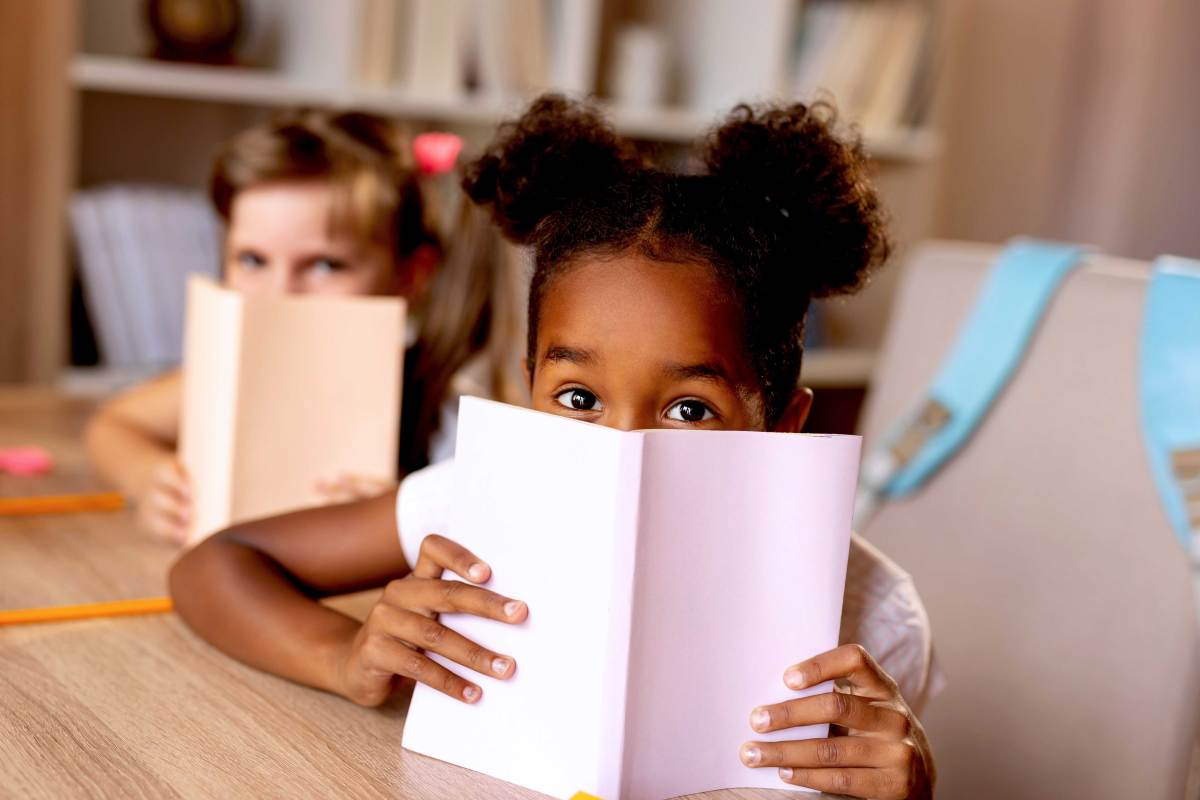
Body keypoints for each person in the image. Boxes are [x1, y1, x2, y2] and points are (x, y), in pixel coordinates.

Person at [171, 95, 937, 798]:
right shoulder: (471, 506)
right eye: (577, 399)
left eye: (688, 410)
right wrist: (345, 659)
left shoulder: (874, 622)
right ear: (529, 385)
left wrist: (910, 789)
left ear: (783, 425)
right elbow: (216, 565)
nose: (622, 447)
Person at [84, 110, 525, 543]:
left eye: (324, 265)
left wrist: (408, 512)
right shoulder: (236, 370)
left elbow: (500, 530)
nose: (280, 292)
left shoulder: (447, 398)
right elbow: (113, 424)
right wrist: (144, 477)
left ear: (411, 275)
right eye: (253, 260)